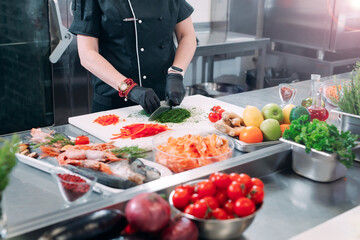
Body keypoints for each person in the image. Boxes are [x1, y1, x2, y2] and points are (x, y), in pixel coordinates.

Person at [69, 0, 197, 114]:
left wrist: (176, 73)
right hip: (114, 104)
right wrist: (129, 88)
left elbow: (187, 35)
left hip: (162, 100)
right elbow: (87, 54)